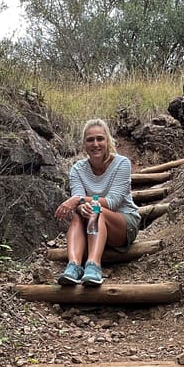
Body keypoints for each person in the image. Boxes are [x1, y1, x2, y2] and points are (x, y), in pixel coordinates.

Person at [54, 118, 141, 287]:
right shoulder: (77, 169)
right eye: (90, 140)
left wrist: (79, 200)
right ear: (84, 144)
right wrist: (80, 204)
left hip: (123, 222)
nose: (95, 144)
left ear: (108, 141)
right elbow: (78, 200)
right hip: (91, 223)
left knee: (96, 209)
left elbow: (112, 201)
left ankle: (93, 266)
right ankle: (74, 266)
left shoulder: (122, 164)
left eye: (100, 138)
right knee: (81, 213)